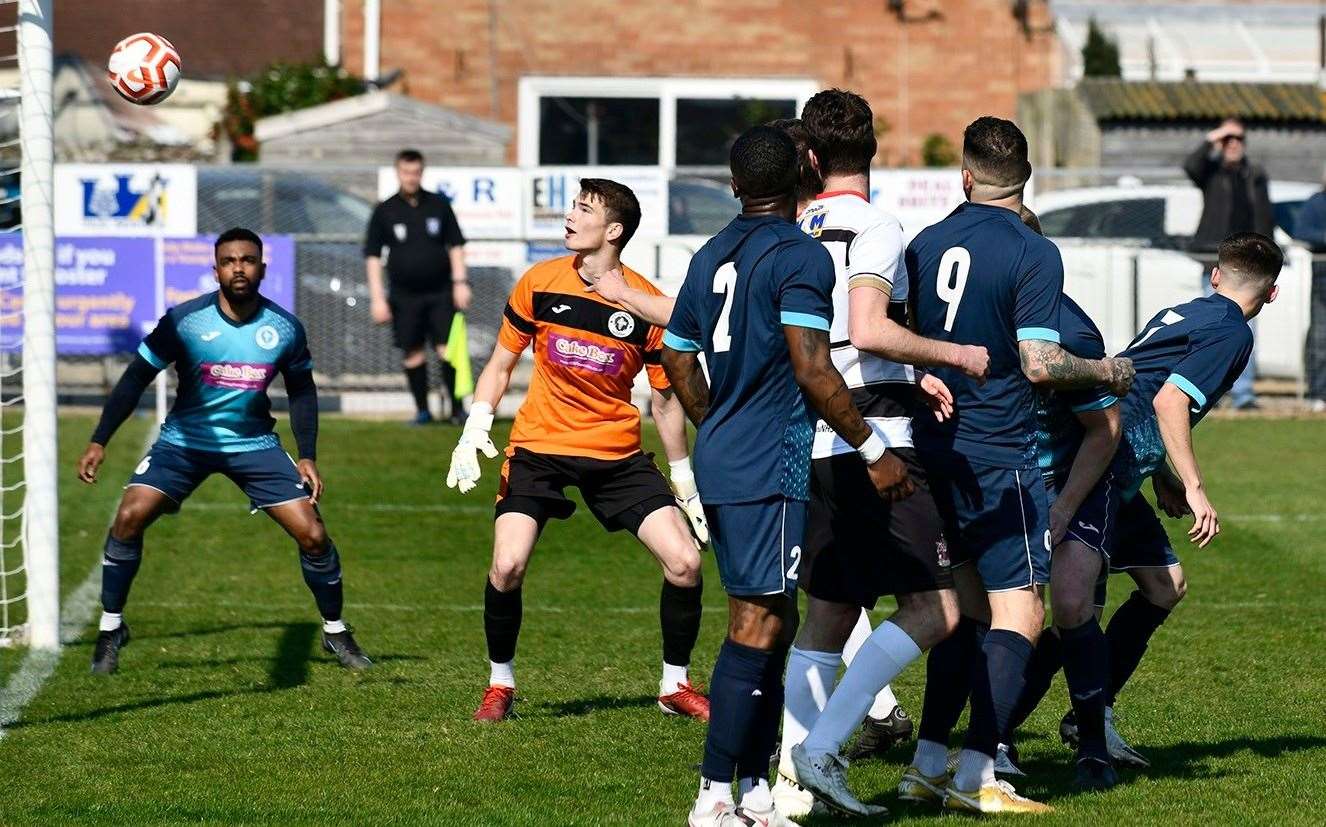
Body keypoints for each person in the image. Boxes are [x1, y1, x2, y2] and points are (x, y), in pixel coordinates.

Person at [663, 125, 911, 827]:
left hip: (729, 452)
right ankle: (714, 795)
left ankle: (754, 792)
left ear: (734, 184)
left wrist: (716, 419)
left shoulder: (710, 251)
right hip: (767, 457)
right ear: (805, 174)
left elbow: (677, 357)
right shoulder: (798, 255)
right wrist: (873, 448)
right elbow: (813, 365)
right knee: (757, 618)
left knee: (777, 615)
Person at [897, 116, 1134, 814]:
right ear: (1026, 181)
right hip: (1000, 455)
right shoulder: (1034, 250)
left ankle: (926, 763)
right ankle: (979, 773)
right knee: (1022, 613)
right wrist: (1107, 371)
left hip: (932, 446)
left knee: (968, 613)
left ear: (964, 176)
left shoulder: (925, 241)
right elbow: (1039, 361)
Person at [778, 89, 990, 820]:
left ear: (808, 157)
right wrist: (952, 352)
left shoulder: (792, 224)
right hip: (877, 435)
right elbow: (868, 329)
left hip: (813, 428)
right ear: (872, 152)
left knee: (831, 610)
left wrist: (913, 366)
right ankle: (823, 748)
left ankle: (791, 773)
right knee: (937, 608)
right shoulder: (875, 224)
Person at [444, 178, 710, 724]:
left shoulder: (645, 304)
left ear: (613, 231)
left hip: (615, 453)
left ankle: (674, 685)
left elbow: (664, 403)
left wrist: (684, 482)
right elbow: (499, 365)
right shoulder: (539, 283)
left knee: (684, 563)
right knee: (507, 564)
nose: (569, 217)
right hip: (538, 446)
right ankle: (500, 684)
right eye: (571, 207)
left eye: (582, 209)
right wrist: (474, 430)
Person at [76, 227, 371, 675]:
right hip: (184, 443)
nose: (239, 268)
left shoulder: (284, 328)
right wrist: (100, 440)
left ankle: (334, 631)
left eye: (248, 260)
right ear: (215, 269)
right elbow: (135, 377)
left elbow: (302, 392)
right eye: (229, 261)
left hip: (254, 444)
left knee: (312, 534)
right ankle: (111, 626)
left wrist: (306, 453)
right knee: (129, 516)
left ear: (262, 269)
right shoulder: (184, 321)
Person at [1050, 231, 1284, 767]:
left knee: (1162, 585)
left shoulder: (1185, 310)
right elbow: (1169, 399)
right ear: (1270, 295)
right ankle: (1001, 736)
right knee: (1075, 608)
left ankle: (1090, 715)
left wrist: (1162, 475)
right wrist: (1197, 488)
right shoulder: (1232, 334)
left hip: (1118, 457)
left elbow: (1138, 380)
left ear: (1216, 274)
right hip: (1104, 466)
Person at [997, 206, 1124, 790]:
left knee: (1071, 601)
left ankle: (1093, 747)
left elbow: (1105, 432)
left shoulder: (1070, 333)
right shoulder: (976, 316)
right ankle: (992, 740)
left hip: (1072, 478)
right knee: (995, 614)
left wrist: (1064, 505)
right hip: (1005, 481)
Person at [364, 149, 471, 425]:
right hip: (403, 295)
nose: (411, 177)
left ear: (422, 172)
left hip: (440, 292)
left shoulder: (438, 205)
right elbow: (373, 257)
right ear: (398, 173)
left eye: (415, 172)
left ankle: (457, 410)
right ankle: (423, 411)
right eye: (405, 172)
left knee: (448, 349)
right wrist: (377, 298)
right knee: (412, 351)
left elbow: (456, 246)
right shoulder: (385, 210)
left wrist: (460, 283)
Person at [1183, 118, 1273, 410]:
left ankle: (1243, 393)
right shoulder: (1211, 173)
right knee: (1210, 325)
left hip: (1250, 264)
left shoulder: (1255, 174)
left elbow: (1264, 216)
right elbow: (1190, 165)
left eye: (1238, 139)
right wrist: (1214, 137)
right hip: (1216, 260)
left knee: (1246, 328)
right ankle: (1208, 389)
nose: (1233, 144)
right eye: (1228, 140)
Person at [1288, 178, 1326, 411]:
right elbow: (1302, 231)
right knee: (1321, 338)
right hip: (1323, 282)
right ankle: (1318, 392)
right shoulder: (1316, 202)